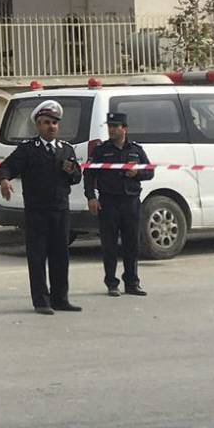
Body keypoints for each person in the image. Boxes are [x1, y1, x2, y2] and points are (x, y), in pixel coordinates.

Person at [0, 100, 85, 315]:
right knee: (37, 257)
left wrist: (70, 170)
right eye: (46, 122)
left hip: (60, 210)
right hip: (37, 211)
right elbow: (7, 166)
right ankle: (41, 301)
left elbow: (76, 177)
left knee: (60, 255)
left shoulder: (66, 149)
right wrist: (4, 181)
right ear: (38, 125)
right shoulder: (28, 149)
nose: (51, 126)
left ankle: (60, 298)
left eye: (55, 122)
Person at [84, 111, 153, 297]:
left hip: (130, 201)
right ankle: (111, 283)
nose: (112, 130)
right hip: (109, 202)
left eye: (115, 126)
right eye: (110, 126)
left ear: (124, 129)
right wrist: (91, 197)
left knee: (132, 244)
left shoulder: (135, 150)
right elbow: (89, 174)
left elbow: (149, 172)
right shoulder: (100, 150)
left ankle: (132, 282)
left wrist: (136, 173)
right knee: (110, 245)